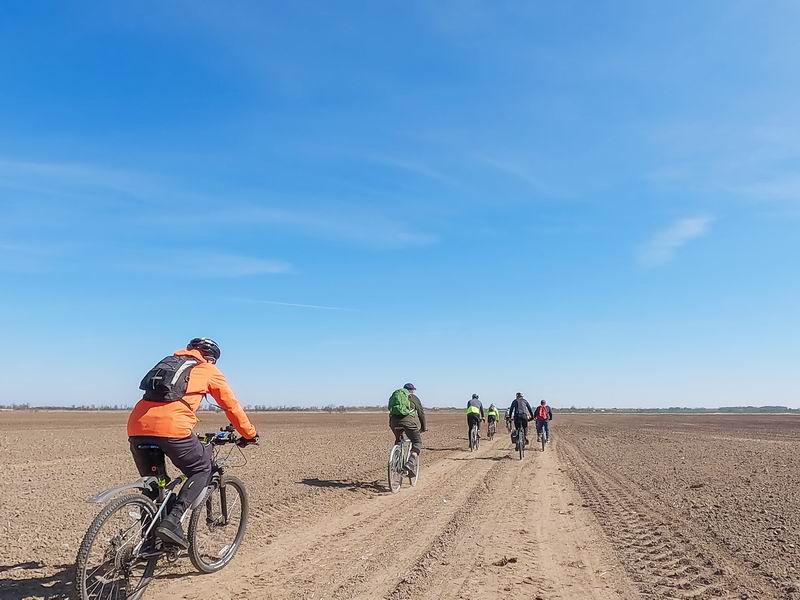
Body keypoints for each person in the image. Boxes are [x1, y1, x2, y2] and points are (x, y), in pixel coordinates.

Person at [127, 338, 259, 549]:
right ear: (210, 358)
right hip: (172, 429)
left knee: (155, 485)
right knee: (202, 468)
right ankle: (173, 521)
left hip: (137, 427)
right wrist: (249, 434)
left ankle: (149, 545)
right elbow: (231, 406)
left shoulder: (169, 362)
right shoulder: (207, 369)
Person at [388, 383, 427, 477]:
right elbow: (421, 413)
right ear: (412, 390)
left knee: (398, 440)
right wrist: (423, 427)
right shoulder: (413, 398)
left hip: (394, 422)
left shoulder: (396, 396)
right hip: (409, 423)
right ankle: (410, 463)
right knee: (417, 442)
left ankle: (396, 461)